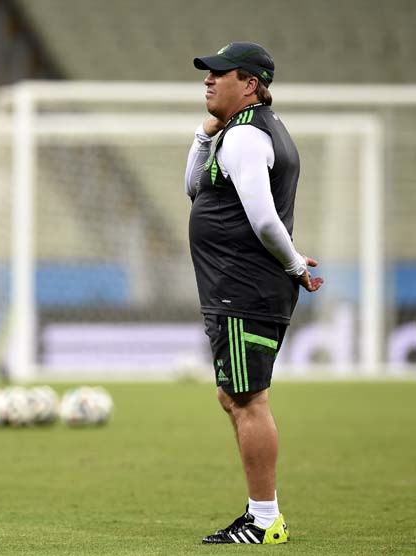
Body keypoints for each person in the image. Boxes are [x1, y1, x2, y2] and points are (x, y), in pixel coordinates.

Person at [184, 42, 324, 545]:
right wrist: (204, 135)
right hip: (239, 286)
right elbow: (194, 186)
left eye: (220, 73)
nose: (208, 79)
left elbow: (263, 217)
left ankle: (264, 520)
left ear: (249, 84)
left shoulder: (245, 137)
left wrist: (292, 265)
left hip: (242, 287)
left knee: (247, 399)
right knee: (234, 394)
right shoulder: (250, 131)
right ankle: (261, 512)